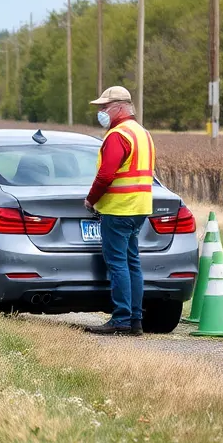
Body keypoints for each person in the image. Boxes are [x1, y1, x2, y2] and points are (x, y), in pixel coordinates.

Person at [83, 86, 156, 336]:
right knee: (132, 263)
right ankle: (135, 319)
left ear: (120, 107)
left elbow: (105, 175)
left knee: (117, 265)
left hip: (118, 208)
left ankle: (121, 319)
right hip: (140, 208)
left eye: (105, 107)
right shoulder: (142, 134)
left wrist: (91, 199)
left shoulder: (118, 135)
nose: (101, 112)